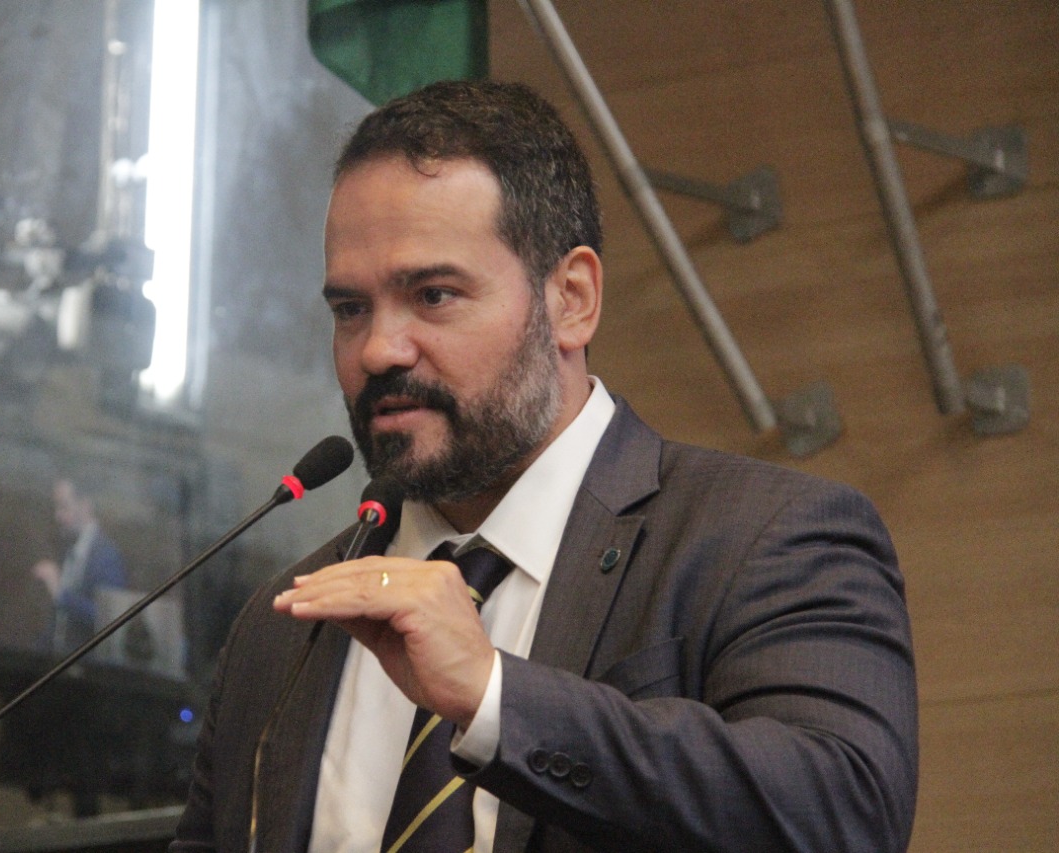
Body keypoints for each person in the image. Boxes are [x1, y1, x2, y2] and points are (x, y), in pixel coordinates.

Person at [171, 80, 917, 852]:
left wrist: (493, 696)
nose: (379, 350)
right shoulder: (282, 627)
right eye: (350, 309)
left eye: (433, 294)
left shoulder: (763, 537)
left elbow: (844, 814)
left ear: (572, 299)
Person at [32, 474, 128, 654]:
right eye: (56, 507)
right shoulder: (68, 548)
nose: (57, 516)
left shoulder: (106, 555)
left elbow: (109, 620)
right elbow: (59, 624)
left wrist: (60, 593)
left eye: (64, 507)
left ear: (85, 506)